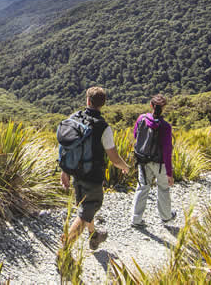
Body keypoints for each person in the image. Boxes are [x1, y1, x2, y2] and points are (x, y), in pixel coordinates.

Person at [60, 86, 131, 250]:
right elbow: (114, 158)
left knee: (86, 208)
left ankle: (94, 236)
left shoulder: (74, 119)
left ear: (87, 100)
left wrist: (65, 171)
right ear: (103, 104)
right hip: (92, 177)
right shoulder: (103, 128)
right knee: (86, 213)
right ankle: (64, 249)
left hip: (76, 173)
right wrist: (125, 166)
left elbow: (67, 147)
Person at [130, 94, 177, 228]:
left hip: (143, 160)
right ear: (164, 108)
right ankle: (166, 216)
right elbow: (167, 151)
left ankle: (136, 219)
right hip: (160, 163)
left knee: (142, 188)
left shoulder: (141, 119)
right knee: (163, 188)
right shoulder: (165, 127)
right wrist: (169, 173)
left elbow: (135, 135)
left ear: (151, 105)